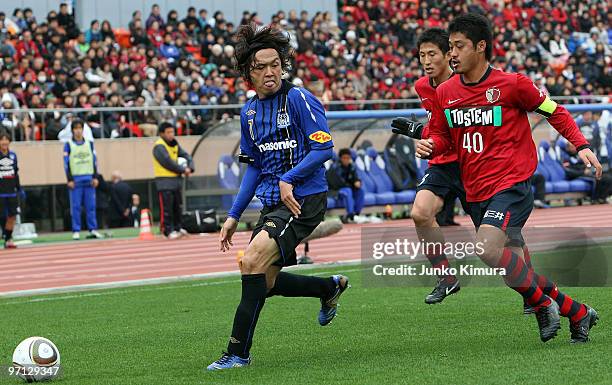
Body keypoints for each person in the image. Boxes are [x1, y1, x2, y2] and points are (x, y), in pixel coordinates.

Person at [418, 13, 601, 343]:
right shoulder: (445, 92)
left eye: (458, 46)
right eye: (451, 47)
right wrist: (430, 144)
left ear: (481, 47)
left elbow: (554, 111)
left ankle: (543, 305)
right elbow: (445, 140)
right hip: (476, 190)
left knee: (486, 248)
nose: (452, 54)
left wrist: (581, 145)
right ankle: (578, 312)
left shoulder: (513, 84)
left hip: (512, 184)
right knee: (516, 274)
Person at [208, 24, 349, 371]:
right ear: (247, 73)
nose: (270, 72)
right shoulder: (249, 113)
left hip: (304, 198)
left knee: (252, 260)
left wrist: (289, 178)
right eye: (261, 66)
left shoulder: (298, 99)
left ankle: (237, 353)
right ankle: (328, 288)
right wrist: (233, 215)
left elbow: (324, 148)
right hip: (273, 202)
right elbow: (253, 169)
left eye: (275, 64)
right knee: (264, 280)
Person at [391, 27, 468, 304]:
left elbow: (460, 131)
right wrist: (422, 136)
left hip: (470, 163)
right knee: (421, 213)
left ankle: (530, 288)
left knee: (497, 238)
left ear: (448, 55)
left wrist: (423, 135)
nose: (426, 60)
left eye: (432, 54)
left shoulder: (466, 83)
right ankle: (446, 278)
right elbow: (438, 130)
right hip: (441, 164)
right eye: (421, 55)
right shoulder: (423, 86)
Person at [152, 122, 193, 239]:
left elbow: (186, 155)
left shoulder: (175, 144)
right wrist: (183, 170)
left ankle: (178, 228)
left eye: (172, 132)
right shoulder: (158, 146)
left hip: (176, 181)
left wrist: (190, 167)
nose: (171, 135)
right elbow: (168, 162)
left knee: (177, 206)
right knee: (167, 208)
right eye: (168, 132)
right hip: (164, 182)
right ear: (161, 134)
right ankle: (167, 230)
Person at [64, 119, 103, 240]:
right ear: (72, 130)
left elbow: (94, 161)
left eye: (80, 128)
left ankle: (93, 229)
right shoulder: (68, 144)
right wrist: (69, 179)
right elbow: (66, 163)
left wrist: (95, 177)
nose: (78, 131)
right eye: (75, 128)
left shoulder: (90, 143)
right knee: (75, 207)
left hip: (89, 178)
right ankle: (76, 230)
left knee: (90, 206)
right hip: (76, 180)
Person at [326, 148, 365, 223]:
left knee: (360, 191)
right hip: (334, 191)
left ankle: (356, 214)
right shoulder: (334, 168)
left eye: (348, 158)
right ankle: (350, 216)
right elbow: (338, 184)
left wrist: (357, 182)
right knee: (348, 191)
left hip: (347, 189)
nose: (346, 160)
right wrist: (352, 184)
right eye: (344, 158)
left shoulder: (351, 167)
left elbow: (355, 178)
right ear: (340, 158)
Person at [0, 131, 22, 248]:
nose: (4, 142)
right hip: (1, 191)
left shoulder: (13, 155)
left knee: (12, 215)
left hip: (11, 191)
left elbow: (16, 173)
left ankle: (8, 238)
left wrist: (19, 188)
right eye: (2, 139)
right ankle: (5, 235)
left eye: (6, 139)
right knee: (2, 216)